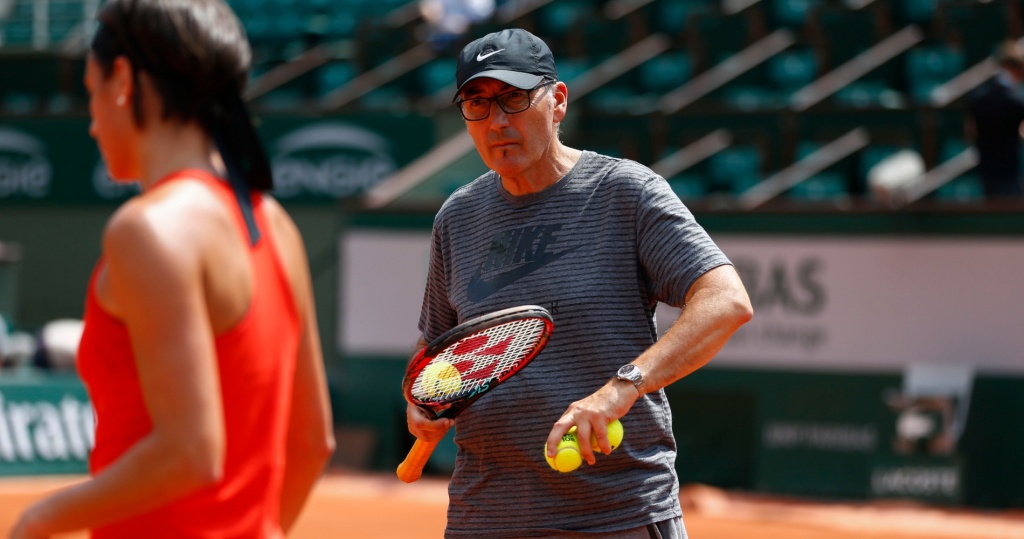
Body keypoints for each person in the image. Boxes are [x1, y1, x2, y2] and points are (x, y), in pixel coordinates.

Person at [406, 28, 753, 538]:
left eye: (514, 99)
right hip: (484, 518)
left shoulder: (626, 192)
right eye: (477, 105)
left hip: (616, 517)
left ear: (558, 101)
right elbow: (437, 348)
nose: (497, 121)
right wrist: (422, 402)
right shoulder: (457, 217)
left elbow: (727, 301)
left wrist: (621, 389)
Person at [11, 0, 335, 537]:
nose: (91, 123)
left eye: (91, 91)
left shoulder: (147, 228)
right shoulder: (275, 223)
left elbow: (190, 452)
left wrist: (37, 520)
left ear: (122, 78)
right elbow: (311, 443)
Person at [967, 39, 1024, 198]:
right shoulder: (1016, 104)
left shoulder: (977, 99)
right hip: (1008, 175)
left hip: (986, 173)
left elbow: (971, 132)